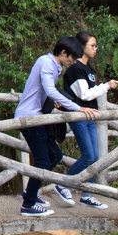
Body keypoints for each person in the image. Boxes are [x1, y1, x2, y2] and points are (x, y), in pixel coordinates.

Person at [14, 37, 97, 216]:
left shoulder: (54, 67)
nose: (73, 63)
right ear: (63, 53)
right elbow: (50, 90)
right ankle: (28, 205)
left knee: (55, 155)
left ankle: (30, 193)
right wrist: (78, 107)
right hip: (29, 118)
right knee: (43, 160)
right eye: (72, 59)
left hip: (38, 118)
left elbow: (49, 93)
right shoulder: (45, 62)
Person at [62, 31, 118, 208]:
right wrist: (106, 86)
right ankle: (62, 184)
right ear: (82, 47)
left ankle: (87, 195)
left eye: (96, 46)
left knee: (95, 158)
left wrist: (105, 86)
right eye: (92, 45)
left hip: (90, 117)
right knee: (88, 156)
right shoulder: (75, 69)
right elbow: (85, 94)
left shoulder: (89, 69)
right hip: (79, 117)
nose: (96, 49)